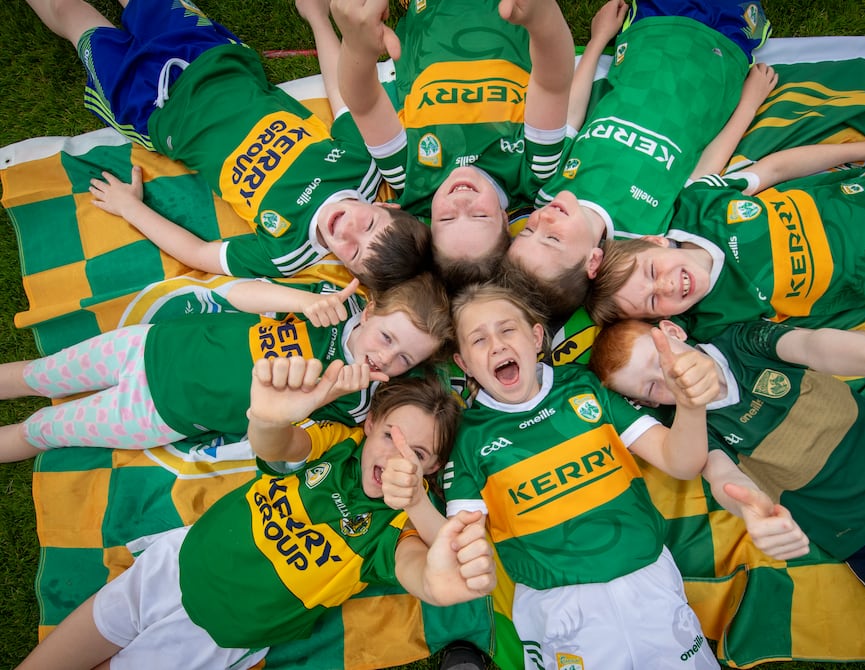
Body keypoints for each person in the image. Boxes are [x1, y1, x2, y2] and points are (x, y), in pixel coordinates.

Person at [384, 281, 802, 668]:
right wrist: (417, 502)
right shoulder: (469, 438)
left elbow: (680, 461)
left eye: (507, 330)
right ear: (464, 364)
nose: (496, 345)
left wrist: (689, 406)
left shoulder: (584, 387)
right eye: (478, 339)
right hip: (558, 606)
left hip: (647, 577)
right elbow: (456, 545)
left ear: (535, 338)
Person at [590, 317, 865, 669]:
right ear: (649, 405)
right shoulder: (692, 426)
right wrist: (753, 513)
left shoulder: (742, 341)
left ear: (673, 332)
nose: (671, 378)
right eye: (651, 386)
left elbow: (817, 346)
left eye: (661, 360)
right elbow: (720, 475)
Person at [15, 358, 495, 670]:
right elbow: (278, 445)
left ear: (431, 468)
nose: (396, 455)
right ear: (369, 424)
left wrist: (418, 512)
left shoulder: (397, 526)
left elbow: (423, 573)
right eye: (390, 434)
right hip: (173, 566)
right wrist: (266, 417)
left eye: (417, 452)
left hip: (216, 636)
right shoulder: (337, 444)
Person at [28, 0, 431, 291]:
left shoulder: (286, 254)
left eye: (355, 253)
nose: (348, 233)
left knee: (70, 15)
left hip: (155, 111)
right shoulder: (359, 167)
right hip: (211, 57)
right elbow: (341, 94)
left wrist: (130, 208)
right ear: (386, 206)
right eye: (370, 226)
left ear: (349, 273)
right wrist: (317, 19)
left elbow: (199, 254)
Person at [586, 130, 865, 339]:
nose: (666, 285)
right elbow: (811, 343)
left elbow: (776, 168)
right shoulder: (714, 322)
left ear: (657, 241)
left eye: (651, 271)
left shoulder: (698, 209)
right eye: (652, 301)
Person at [505, 0, 775, 319]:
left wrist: (598, 39)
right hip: (716, 60)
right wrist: (749, 103)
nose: (541, 221)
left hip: (648, 36)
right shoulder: (645, 233)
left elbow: (570, 116)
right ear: (593, 262)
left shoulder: (549, 191)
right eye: (551, 238)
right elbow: (704, 174)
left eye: (527, 231)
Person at [0, 273, 452, 461]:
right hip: (151, 344)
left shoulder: (357, 402)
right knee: (38, 375)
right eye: (387, 338)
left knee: (43, 430)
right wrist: (304, 302)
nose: (386, 359)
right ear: (370, 311)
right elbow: (236, 295)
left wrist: (333, 390)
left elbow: (280, 442)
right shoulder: (333, 302)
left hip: (161, 411)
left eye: (404, 359)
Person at [331, 0, 574, 288]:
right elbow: (552, 82)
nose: (461, 202)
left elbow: (365, 104)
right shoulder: (532, 171)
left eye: (447, 218)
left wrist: (356, 47)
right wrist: (543, 15)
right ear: (503, 219)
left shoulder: (411, 178)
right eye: (479, 215)